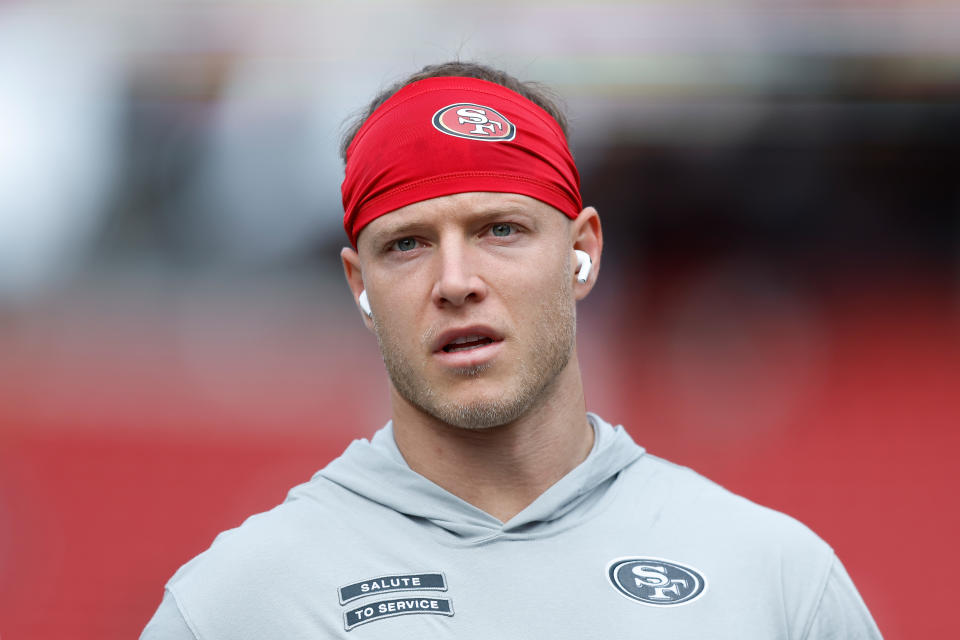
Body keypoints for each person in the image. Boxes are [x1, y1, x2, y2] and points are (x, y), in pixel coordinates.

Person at [141, 61, 882, 639]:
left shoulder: (772, 578)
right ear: (358, 285)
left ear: (581, 251)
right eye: (407, 244)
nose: (456, 281)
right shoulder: (240, 605)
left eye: (501, 230)